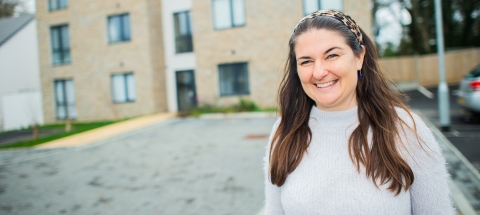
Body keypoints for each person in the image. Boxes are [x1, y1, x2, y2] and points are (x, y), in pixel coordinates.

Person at [264, 10, 455, 214]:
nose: (319, 72)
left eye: (332, 55)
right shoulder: (285, 131)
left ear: (359, 57)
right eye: (306, 61)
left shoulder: (405, 129)